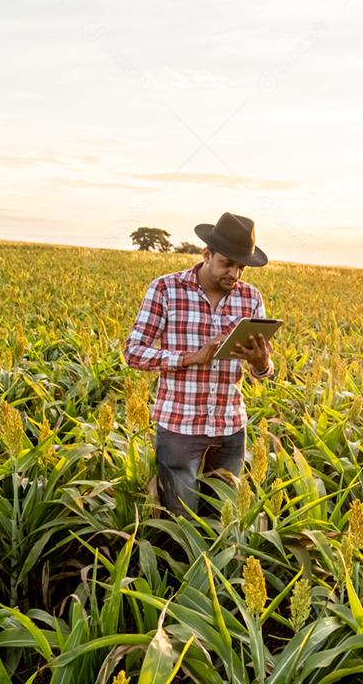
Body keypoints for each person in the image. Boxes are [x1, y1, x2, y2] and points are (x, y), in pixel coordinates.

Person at [123, 212, 275, 518]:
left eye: (241, 267)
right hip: (181, 427)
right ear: (206, 254)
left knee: (221, 519)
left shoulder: (250, 298)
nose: (235, 274)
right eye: (227, 263)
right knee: (180, 522)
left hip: (231, 426)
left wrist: (262, 363)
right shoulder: (166, 290)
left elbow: (263, 375)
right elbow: (133, 352)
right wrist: (189, 358)